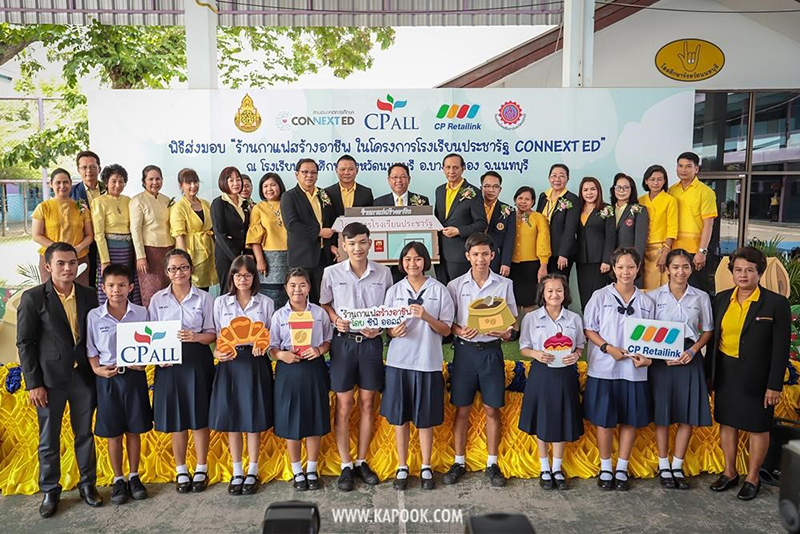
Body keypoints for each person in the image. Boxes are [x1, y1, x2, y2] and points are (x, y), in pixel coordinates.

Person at [16, 242, 102, 518]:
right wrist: (34, 384)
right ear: (48, 266)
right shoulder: (33, 298)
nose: (68, 268)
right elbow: (25, 343)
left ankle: (87, 484)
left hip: (83, 377)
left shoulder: (89, 295)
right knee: (49, 438)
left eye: (72, 263)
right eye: (61, 263)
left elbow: (97, 334)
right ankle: (50, 489)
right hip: (49, 381)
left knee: (85, 434)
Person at [708, 246, 791, 501]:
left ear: (759, 273)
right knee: (727, 422)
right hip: (726, 372)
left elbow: (781, 349)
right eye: (738, 270)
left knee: (758, 426)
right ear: (732, 272)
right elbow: (713, 340)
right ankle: (729, 472)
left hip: (758, 376)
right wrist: (709, 377)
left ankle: (753, 477)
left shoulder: (776, 303)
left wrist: (774, 385)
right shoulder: (721, 299)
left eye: (749, 270)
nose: (743, 275)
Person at [320, 222, 393, 491]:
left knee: (367, 403)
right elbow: (325, 304)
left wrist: (380, 326)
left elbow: (389, 308)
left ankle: (361, 461)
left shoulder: (384, 273)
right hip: (344, 344)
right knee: (343, 404)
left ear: (370, 243)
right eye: (351, 244)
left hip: (371, 345)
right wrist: (335, 319)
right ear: (343, 246)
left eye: (362, 242)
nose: (357, 248)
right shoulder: (331, 272)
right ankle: (345, 464)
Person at [444, 233, 516, 487]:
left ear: (492, 255)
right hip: (464, 352)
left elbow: (512, 324)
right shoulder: (455, 285)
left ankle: (492, 463)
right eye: (475, 254)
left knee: (492, 408)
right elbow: (448, 322)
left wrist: (505, 333)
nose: (480, 259)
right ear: (468, 256)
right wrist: (459, 330)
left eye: (485, 254)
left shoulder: (504, 284)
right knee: (462, 408)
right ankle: (459, 461)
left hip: (491, 352)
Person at [382, 242, 455, 490]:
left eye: (417, 259)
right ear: (401, 263)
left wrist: (426, 317)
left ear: (426, 261)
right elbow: (387, 327)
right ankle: (402, 466)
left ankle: (426, 466)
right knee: (400, 417)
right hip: (399, 361)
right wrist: (393, 331)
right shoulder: (394, 290)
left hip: (427, 361)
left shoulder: (439, 290)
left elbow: (446, 329)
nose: (412, 264)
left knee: (425, 418)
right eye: (407, 259)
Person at [583, 247, 654, 492]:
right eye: (621, 267)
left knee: (630, 419)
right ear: (613, 269)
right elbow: (589, 329)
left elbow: (653, 337)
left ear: (638, 268)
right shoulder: (600, 296)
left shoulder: (646, 301)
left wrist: (647, 359)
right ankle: (605, 467)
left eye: (631, 267)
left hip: (634, 370)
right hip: (604, 368)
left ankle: (622, 467)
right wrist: (607, 347)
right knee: (604, 420)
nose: (626, 272)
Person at [148, 249, 217, 494]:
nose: (179, 272)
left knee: (199, 417)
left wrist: (196, 336)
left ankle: (201, 468)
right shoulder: (157, 299)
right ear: (166, 272)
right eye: (173, 268)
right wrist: (157, 357)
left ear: (191, 269)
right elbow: (149, 335)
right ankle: (181, 469)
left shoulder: (204, 298)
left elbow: (213, 334)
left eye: (184, 267)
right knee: (176, 418)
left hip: (197, 360)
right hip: (168, 364)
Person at [86, 263, 152, 504]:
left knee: (134, 429)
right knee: (113, 432)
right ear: (103, 288)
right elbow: (91, 349)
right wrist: (96, 369)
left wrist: (143, 362)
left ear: (131, 287)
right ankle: (118, 480)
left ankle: (134, 476)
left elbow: (150, 344)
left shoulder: (141, 313)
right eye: (111, 285)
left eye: (122, 285)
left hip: (134, 378)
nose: (117, 290)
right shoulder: (94, 316)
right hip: (108, 379)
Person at [647, 249, 713, 490]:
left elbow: (708, 330)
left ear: (691, 269)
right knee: (663, 414)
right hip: (661, 360)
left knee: (687, 414)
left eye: (685, 267)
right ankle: (663, 465)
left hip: (689, 356)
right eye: (675, 267)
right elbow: (647, 331)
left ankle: (677, 465)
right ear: (667, 269)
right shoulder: (653, 297)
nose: (680, 272)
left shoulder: (700, 297)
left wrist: (693, 351)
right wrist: (660, 355)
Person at [209, 255, 275, 496]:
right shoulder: (220, 303)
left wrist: (263, 346)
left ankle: (253, 470)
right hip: (230, 363)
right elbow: (218, 335)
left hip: (255, 362)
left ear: (254, 277)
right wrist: (217, 352)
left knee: (253, 417)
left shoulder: (266, 303)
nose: (242, 279)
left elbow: (271, 335)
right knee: (233, 418)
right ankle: (237, 471)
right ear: (232, 277)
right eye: (238, 275)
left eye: (248, 275)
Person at [518, 274, 585, 490]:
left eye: (559, 290)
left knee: (560, 417)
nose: (554, 294)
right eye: (550, 291)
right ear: (542, 294)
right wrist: (536, 354)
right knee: (542, 418)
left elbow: (580, 345)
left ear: (565, 293)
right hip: (541, 373)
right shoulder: (531, 318)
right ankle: (544, 468)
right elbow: (524, 347)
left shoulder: (574, 319)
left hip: (565, 374)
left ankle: (557, 467)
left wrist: (576, 355)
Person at [269, 268, 333, 491]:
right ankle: (297, 470)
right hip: (289, 370)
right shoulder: (279, 316)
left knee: (314, 419)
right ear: (285, 288)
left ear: (309, 287)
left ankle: (312, 469)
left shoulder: (319, 313)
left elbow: (328, 341)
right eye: (293, 285)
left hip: (313, 368)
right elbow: (272, 347)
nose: (297, 289)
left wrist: (319, 350)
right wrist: (281, 355)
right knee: (291, 420)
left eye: (302, 285)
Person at [280, 158, 336, 304]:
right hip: (301, 257)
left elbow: (329, 222)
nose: (309, 175)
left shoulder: (323, 194)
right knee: (299, 299)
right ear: (296, 174)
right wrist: (318, 232)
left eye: (313, 172)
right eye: (305, 172)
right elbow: (292, 224)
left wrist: (332, 244)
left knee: (322, 299)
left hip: (323, 256)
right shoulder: (289, 196)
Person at [32, 168, 94, 287]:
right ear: (51, 184)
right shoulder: (43, 207)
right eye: (58, 183)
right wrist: (57, 249)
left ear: (70, 183)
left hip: (78, 258)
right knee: (51, 294)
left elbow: (89, 235)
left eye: (65, 182)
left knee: (80, 293)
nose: (62, 186)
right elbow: (36, 235)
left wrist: (77, 248)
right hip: (51, 259)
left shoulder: (81, 208)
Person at [434, 153, 488, 284]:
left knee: (460, 292)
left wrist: (459, 231)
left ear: (463, 168)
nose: (451, 171)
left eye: (455, 167)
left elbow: (481, 223)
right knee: (443, 291)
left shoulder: (473, 193)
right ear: (443, 169)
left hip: (460, 255)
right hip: (439, 255)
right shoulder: (439, 190)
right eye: (448, 167)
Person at [91, 164, 140, 305]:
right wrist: (105, 260)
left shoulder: (128, 200)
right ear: (106, 182)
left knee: (127, 282)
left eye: (121, 181)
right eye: (114, 181)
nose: (117, 185)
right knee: (110, 282)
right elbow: (98, 234)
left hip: (128, 251)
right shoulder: (98, 202)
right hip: (109, 251)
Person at [669, 152, 718, 292]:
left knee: (696, 291)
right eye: (680, 166)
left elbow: (708, 223)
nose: (683, 170)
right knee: (676, 290)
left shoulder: (705, 192)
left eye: (688, 166)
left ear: (696, 169)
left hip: (694, 252)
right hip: (675, 249)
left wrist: (702, 251)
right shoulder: (672, 190)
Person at [373, 163, 430, 283]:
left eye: (403, 177)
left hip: (413, 258)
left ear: (409, 179)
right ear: (389, 180)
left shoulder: (422, 200)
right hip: (388, 257)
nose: (398, 180)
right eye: (394, 177)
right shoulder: (378, 202)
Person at [130, 165, 174, 307]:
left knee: (169, 290)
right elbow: (135, 230)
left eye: (158, 179)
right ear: (144, 181)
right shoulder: (138, 200)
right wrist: (140, 256)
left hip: (168, 250)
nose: (155, 182)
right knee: (152, 291)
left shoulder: (166, 200)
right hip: (149, 252)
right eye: (151, 179)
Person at [170, 168, 217, 292]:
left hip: (207, 251)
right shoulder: (178, 207)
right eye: (188, 183)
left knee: (204, 290)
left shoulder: (206, 204)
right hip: (191, 253)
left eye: (195, 182)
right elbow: (179, 236)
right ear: (181, 185)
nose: (193, 186)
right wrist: (184, 262)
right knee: (190, 289)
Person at [509, 186, 550, 328]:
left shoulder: (538, 217)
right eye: (520, 198)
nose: (523, 201)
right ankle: (513, 330)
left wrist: (543, 264)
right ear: (515, 200)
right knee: (512, 299)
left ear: (533, 202)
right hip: (511, 264)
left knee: (529, 300)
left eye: (527, 199)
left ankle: (530, 330)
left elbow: (543, 241)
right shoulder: (509, 216)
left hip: (531, 264)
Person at [247, 173, 289, 308]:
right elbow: (255, 238)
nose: (269, 189)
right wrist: (260, 260)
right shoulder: (258, 208)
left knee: (290, 292)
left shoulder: (289, 203)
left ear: (280, 186)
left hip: (291, 256)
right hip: (269, 258)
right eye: (265, 186)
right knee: (272, 296)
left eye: (273, 185)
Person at [325, 155, 374, 261]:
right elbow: (326, 221)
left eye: (350, 169)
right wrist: (330, 245)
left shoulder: (366, 193)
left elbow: (370, 221)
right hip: (335, 246)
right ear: (336, 170)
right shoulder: (327, 193)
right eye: (343, 169)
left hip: (359, 245)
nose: (346, 172)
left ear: (357, 170)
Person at [575, 177, 614, 310]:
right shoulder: (578, 209)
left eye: (593, 189)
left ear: (598, 191)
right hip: (581, 260)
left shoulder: (606, 209)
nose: (589, 193)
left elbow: (610, 237)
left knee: (598, 296)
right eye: (585, 190)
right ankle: (586, 322)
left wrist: (607, 260)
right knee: (584, 295)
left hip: (600, 261)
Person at [639, 165, 678, 291]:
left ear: (664, 181)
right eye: (652, 179)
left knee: (657, 286)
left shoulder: (670, 200)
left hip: (660, 249)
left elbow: (672, 228)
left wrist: (665, 252)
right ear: (646, 181)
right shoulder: (640, 200)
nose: (655, 183)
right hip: (641, 249)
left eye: (659, 179)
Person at [536, 163, 579, 277]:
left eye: (562, 176)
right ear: (549, 178)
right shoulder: (543, 196)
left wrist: (563, 253)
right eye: (554, 175)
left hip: (560, 252)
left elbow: (570, 229)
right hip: (543, 251)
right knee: (544, 284)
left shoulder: (572, 199)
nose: (557, 179)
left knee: (559, 283)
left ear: (567, 179)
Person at [211, 166, 250, 288]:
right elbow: (219, 233)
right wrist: (236, 258)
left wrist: (247, 254)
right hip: (226, 256)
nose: (236, 183)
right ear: (224, 182)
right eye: (231, 180)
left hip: (243, 254)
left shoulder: (245, 203)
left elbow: (247, 230)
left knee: (243, 289)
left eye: (238, 179)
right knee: (228, 289)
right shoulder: (218, 203)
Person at [72, 150, 104, 288]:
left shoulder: (110, 189)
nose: (88, 171)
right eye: (84, 167)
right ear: (78, 170)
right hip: (84, 242)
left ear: (99, 168)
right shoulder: (71, 192)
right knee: (86, 279)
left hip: (106, 241)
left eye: (92, 167)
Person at [611, 173, 649, 287]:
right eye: (618, 187)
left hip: (629, 263)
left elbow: (640, 241)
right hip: (611, 263)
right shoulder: (608, 209)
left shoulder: (639, 210)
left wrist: (636, 263)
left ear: (632, 190)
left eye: (626, 187)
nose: (622, 190)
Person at [480, 171, 516, 276]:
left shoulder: (508, 211)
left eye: (495, 186)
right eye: (487, 186)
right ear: (481, 188)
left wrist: (505, 263)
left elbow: (509, 240)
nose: (491, 190)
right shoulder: (472, 207)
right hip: (474, 260)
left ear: (500, 189)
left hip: (495, 260)